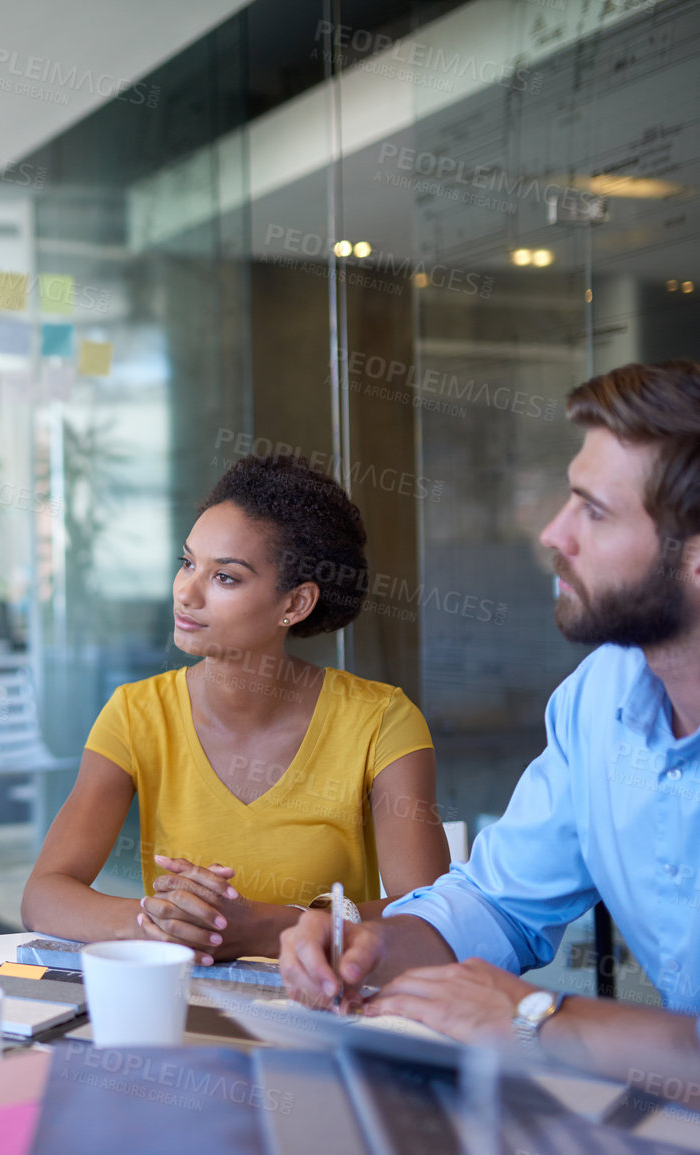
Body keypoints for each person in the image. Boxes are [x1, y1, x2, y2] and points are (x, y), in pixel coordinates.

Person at [280, 360, 700, 1098]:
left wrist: (537, 1016)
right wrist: (370, 945)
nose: (552, 533)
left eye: (592, 512)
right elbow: (498, 900)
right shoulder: (598, 695)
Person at [22, 454, 451, 964]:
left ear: (295, 604)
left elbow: (433, 915)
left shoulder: (381, 721)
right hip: (185, 1007)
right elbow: (44, 894)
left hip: (323, 1013)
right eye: (187, 563)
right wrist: (161, 924)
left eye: (225, 577)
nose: (187, 591)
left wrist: (274, 928)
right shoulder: (135, 714)